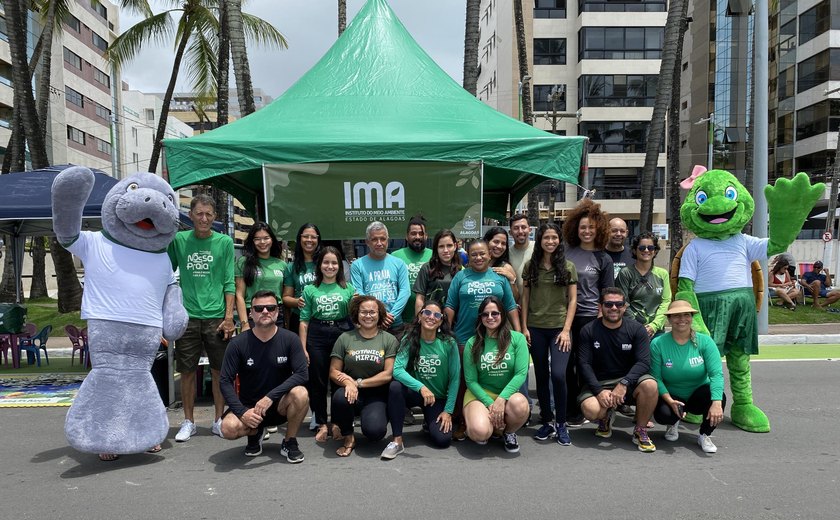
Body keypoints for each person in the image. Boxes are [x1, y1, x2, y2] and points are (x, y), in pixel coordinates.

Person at [168, 194, 236, 441]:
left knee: (219, 371)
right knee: (187, 371)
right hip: (188, 317)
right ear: (191, 216)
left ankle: (218, 420)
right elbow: (164, 271)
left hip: (217, 316)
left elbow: (229, 282)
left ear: (215, 217)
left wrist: (229, 317)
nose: (204, 218)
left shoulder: (224, 242)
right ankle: (189, 421)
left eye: (208, 214)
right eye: (199, 214)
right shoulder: (179, 240)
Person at [218, 291, 309, 462]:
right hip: (250, 408)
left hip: (279, 405)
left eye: (270, 307)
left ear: (277, 311)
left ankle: (289, 441)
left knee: (301, 393)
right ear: (251, 313)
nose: (265, 311)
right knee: (228, 428)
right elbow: (224, 381)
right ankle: (255, 432)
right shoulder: (238, 343)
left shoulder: (290, 339)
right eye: (259, 308)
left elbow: (302, 374)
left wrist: (270, 397)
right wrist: (242, 412)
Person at [445, 239, 520, 440]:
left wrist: (520, 332)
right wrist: (447, 332)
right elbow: (450, 306)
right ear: (467, 256)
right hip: (464, 337)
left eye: (482, 254)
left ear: (490, 254)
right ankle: (461, 420)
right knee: (462, 382)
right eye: (474, 254)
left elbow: (511, 306)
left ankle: (497, 419)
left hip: (494, 339)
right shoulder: (461, 277)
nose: (478, 257)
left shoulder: (499, 277)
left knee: (493, 377)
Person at [577, 288, 658, 453]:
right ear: (600, 306)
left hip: (628, 382)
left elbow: (644, 362)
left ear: (624, 307)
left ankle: (640, 430)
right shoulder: (588, 330)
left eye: (618, 304)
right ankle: (605, 416)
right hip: (600, 383)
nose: (614, 308)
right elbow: (584, 364)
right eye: (608, 304)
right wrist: (599, 391)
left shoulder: (636, 329)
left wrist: (624, 383)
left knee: (650, 385)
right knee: (591, 410)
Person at [521, 223, 577, 446]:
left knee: (559, 375)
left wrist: (566, 330)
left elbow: (573, 299)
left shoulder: (568, 266)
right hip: (535, 327)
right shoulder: (530, 266)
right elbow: (524, 299)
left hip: (559, 329)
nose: (551, 242)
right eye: (546, 238)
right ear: (540, 240)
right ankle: (547, 421)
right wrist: (524, 327)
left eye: (554, 238)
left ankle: (561, 423)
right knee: (542, 376)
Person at [382, 301, 460, 459]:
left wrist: (448, 411)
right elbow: (397, 370)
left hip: (436, 398)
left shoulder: (449, 343)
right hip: (416, 393)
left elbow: (455, 378)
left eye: (437, 315)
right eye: (427, 313)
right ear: (419, 316)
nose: (431, 317)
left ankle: (428, 425)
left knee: (442, 440)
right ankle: (397, 441)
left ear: (441, 321)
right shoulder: (409, 338)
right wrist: (421, 388)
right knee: (395, 387)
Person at [561, 198, 614, 425]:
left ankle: (589, 406)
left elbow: (607, 293)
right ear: (576, 228)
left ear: (599, 229)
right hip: (565, 317)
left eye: (591, 227)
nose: (587, 231)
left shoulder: (604, 258)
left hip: (591, 319)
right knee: (566, 364)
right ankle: (570, 407)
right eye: (583, 227)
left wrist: (602, 320)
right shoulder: (565, 252)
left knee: (586, 365)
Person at [650, 300, 726, 454]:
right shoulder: (658, 343)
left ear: (692, 317)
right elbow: (655, 377)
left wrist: (716, 402)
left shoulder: (705, 341)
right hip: (672, 395)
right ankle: (673, 422)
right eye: (676, 316)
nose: (682, 319)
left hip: (698, 393)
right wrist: (670, 401)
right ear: (669, 319)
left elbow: (716, 374)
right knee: (664, 415)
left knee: (719, 397)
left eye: (686, 315)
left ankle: (705, 435)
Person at [329, 295, 399, 457]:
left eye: (372, 312)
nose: (368, 316)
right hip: (349, 392)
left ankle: (375, 417)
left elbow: (388, 374)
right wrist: (348, 383)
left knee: (375, 433)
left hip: (376, 394)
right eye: (364, 312)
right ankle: (348, 436)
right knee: (340, 397)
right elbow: (333, 371)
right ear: (356, 314)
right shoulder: (345, 338)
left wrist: (358, 383)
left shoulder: (389, 339)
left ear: (380, 314)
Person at [299, 246, 356, 443]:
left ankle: (338, 423)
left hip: (342, 333)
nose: (330, 266)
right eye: (326, 262)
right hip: (317, 334)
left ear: (340, 266)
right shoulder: (310, 289)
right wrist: (303, 348)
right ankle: (322, 423)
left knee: (339, 380)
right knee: (318, 382)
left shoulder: (348, 288)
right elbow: (304, 321)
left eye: (334, 263)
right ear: (319, 265)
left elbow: (354, 318)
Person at [462, 297, 530, 453]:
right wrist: (490, 403)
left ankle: (508, 432)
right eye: (485, 314)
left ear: (503, 315)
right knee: (480, 433)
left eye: (495, 313)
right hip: (479, 394)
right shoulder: (472, 343)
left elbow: (521, 373)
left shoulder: (517, 339)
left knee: (520, 405)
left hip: (507, 395)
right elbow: (471, 381)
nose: (490, 317)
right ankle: (490, 425)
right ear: (480, 318)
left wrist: (501, 399)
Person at [349, 221, 411, 337]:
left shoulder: (399, 264)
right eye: (374, 239)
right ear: (367, 242)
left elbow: (405, 292)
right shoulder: (357, 265)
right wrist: (379, 315)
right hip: (369, 325)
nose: (379, 243)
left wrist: (391, 316)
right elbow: (359, 295)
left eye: (383, 239)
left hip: (395, 325)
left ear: (387, 239)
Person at [616, 232, 672, 338]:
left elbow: (666, 301)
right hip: (631, 329)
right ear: (634, 250)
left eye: (650, 247)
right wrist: (637, 327)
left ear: (655, 251)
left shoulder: (662, 274)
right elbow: (623, 302)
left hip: (657, 330)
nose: (646, 250)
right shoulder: (625, 273)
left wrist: (654, 326)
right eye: (642, 247)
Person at [235, 222, 287, 330]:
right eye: (257, 239)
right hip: (254, 314)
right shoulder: (243, 262)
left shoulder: (282, 264)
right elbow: (239, 295)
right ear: (252, 241)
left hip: (276, 315)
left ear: (272, 240)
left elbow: (284, 296)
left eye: (266, 238)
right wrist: (244, 324)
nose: (262, 242)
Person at [392, 215, 432, 326]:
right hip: (400, 320)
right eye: (413, 233)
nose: (417, 236)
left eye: (421, 233)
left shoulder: (434, 255)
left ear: (426, 236)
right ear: (406, 236)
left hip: (429, 319)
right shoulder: (395, 256)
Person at [283, 223, 321, 334]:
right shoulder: (292, 267)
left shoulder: (325, 263)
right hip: (299, 318)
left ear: (318, 240)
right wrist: (297, 302)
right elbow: (286, 297)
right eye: (305, 236)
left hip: (322, 318)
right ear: (300, 238)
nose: (309, 240)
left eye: (313, 237)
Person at [413, 229, 462, 314]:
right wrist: (419, 321)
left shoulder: (462, 270)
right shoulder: (427, 268)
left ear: (455, 246)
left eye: (449, 246)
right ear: (436, 248)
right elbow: (420, 299)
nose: (446, 250)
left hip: (456, 322)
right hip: (431, 320)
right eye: (441, 246)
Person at [483, 226, 520, 301]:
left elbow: (515, 299)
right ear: (487, 242)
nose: (499, 246)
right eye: (496, 242)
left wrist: (511, 279)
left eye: (503, 243)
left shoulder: (506, 268)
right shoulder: (476, 264)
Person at [507, 213, 534, 302]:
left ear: (529, 230)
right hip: (517, 306)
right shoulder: (506, 254)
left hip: (538, 308)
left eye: (523, 227)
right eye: (516, 228)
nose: (520, 231)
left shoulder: (539, 248)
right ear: (510, 232)